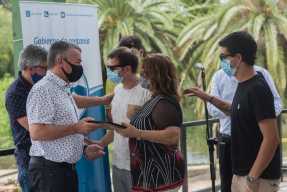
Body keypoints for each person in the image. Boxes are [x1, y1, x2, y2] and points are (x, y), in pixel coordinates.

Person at [185, 31, 280, 192]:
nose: (221, 61)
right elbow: (235, 110)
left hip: (257, 179)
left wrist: (252, 178)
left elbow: (271, 139)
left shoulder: (258, 88)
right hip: (242, 173)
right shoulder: (243, 85)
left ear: (238, 58)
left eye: (224, 57)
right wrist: (207, 97)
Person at [26, 41, 106, 192]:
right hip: (49, 173)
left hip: (64, 171)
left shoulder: (63, 88)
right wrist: (77, 127)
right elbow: (37, 132)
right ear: (60, 61)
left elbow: (61, 128)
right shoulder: (43, 90)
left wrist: (84, 148)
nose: (80, 67)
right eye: (77, 62)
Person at [117, 53, 185, 192]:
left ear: (155, 75)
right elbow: (152, 122)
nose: (140, 76)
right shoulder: (154, 99)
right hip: (148, 175)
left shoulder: (165, 102)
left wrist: (136, 133)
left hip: (162, 176)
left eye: (144, 72)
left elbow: (173, 136)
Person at [208, 65, 282, 192]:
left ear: (239, 56)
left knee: (255, 183)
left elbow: (277, 103)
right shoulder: (218, 76)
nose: (224, 61)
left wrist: (257, 115)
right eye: (222, 57)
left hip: (254, 139)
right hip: (228, 140)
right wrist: (236, 112)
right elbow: (211, 109)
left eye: (226, 55)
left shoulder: (261, 74)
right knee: (228, 184)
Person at [98, 47, 151, 192]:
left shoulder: (147, 93)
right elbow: (116, 128)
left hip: (140, 166)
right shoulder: (117, 90)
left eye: (112, 68)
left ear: (127, 69)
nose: (109, 71)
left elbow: (154, 131)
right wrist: (100, 143)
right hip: (117, 164)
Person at [5, 45, 47, 192]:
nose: (46, 72)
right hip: (30, 163)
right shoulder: (15, 93)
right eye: (43, 68)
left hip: (50, 160)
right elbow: (35, 128)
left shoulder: (41, 87)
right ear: (30, 67)